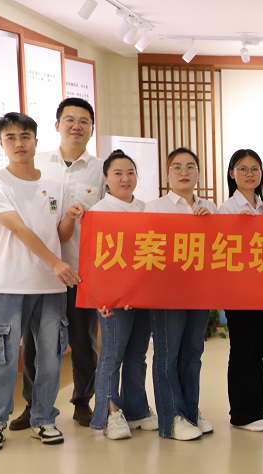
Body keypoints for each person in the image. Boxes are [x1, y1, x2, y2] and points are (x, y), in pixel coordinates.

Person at [0, 112, 82, 451]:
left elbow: (59, 234)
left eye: (25, 136)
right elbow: (20, 229)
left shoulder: (55, 184)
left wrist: (69, 217)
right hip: (9, 285)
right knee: (3, 358)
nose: (19, 143)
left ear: (36, 141)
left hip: (50, 287)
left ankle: (44, 419)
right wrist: (56, 262)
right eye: (11, 138)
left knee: (50, 356)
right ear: (1, 144)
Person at [11, 98, 104, 431]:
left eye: (84, 121)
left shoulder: (101, 170)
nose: (76, 126)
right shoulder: (36, 164)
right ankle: (33, 405)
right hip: (40, 271)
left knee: (83, 342)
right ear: (57, 125)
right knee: (35, 344)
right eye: (69, 120)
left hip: (81, 272)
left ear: (91, 128)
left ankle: (82, 402)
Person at [144, 147, 217, 441]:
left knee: (193, 352)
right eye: (177, 167)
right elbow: (150, 249)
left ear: (198, 173)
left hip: (200, 289)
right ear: (168, 174)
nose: (183, 172)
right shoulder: (155, 207)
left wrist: (210, 224)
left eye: (190, 167)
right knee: (168, 354)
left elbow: (220, 248)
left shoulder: (210, 207)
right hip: (167, 291)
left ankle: (189, 410)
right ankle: (171, 418)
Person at [89, 150, 158, 440]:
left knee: (137, 354)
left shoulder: (147, 208)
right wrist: (99, 297)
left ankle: (137, 409)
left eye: (130, 173)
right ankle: (110, 412)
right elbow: (92, 260)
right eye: (117, 173)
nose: (125, 178)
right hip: (113, 298)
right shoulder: (98, 211)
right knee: (112, 354)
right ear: (106, 178)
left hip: (143, 293)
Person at [217, 149, 263, 432]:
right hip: (239, 290)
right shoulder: (228, 208)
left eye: (255, 169)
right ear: (232, 173)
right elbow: (224, 249)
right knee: (242, 348)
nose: (249, 174)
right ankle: (242, 414)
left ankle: (258, 406)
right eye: (242, 169)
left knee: (258, 348)